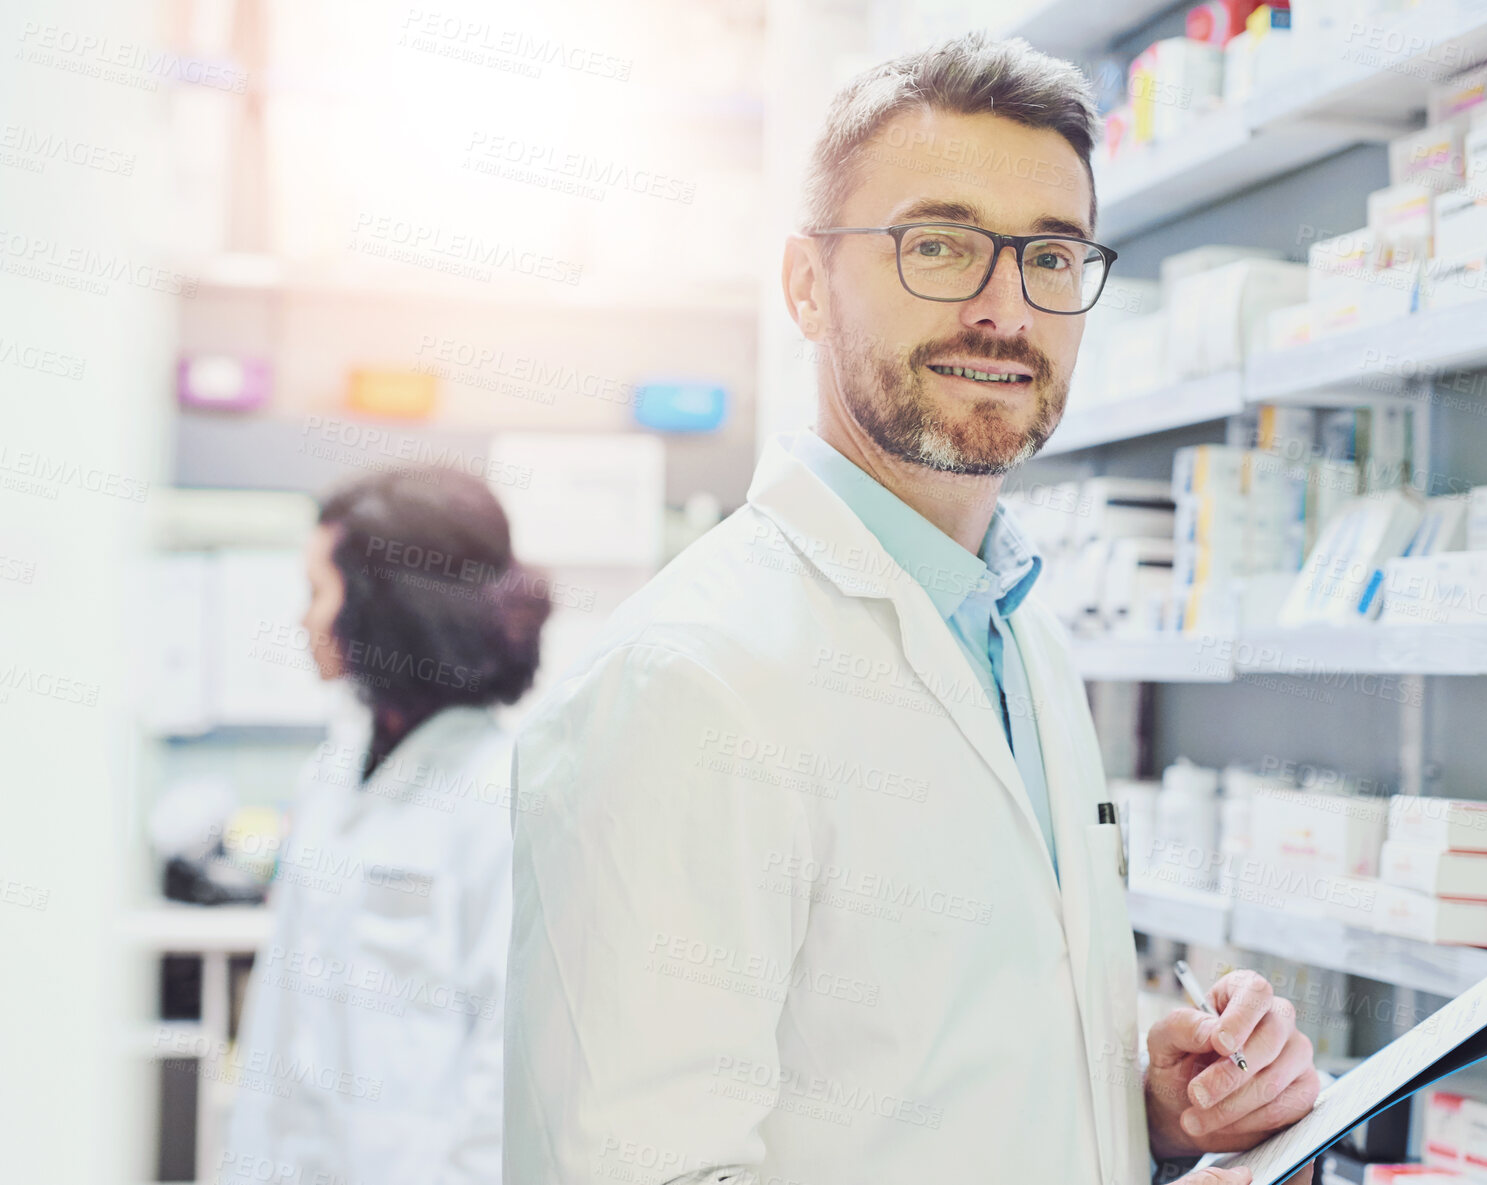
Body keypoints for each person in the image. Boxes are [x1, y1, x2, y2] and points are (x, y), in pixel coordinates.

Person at [505, 32, 1319, 1185]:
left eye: (1050, 254)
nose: (1004, 309)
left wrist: (1140, 1111)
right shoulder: (685, 683)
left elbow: (935, 1079)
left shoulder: (1025, 644)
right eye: (939, 245)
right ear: (805, 281)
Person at [223, 467, 550, 1185]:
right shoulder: (332, 774)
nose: (304, 620)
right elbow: (280, 1016)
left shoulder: (502, 793)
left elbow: (505, 1058)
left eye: (319, 591)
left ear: (384, 607)